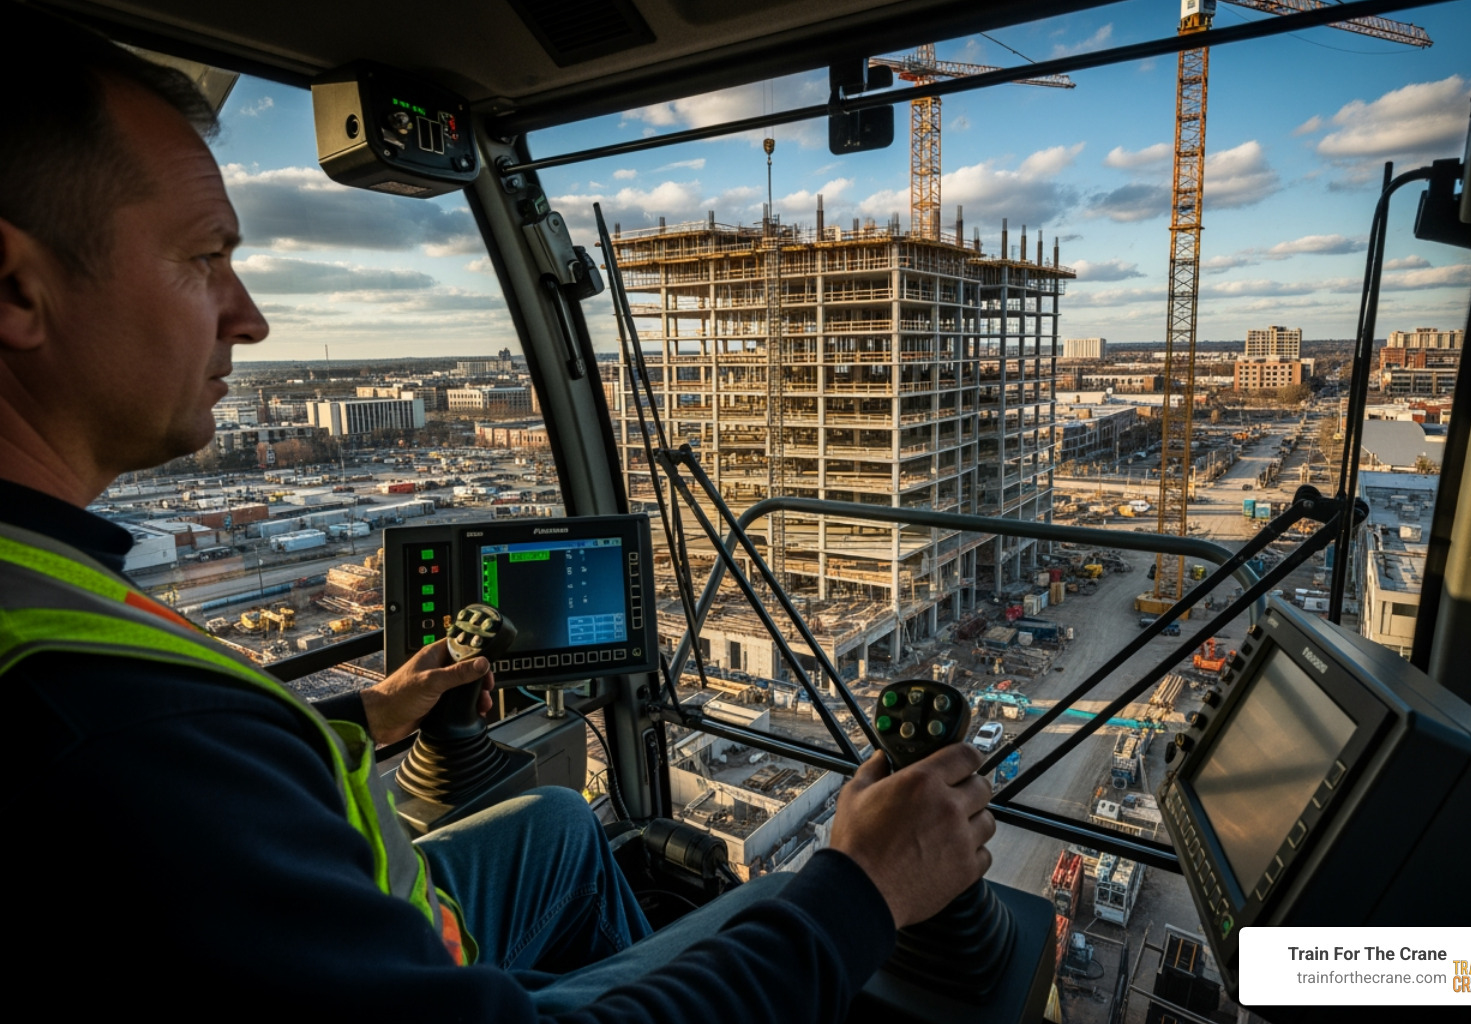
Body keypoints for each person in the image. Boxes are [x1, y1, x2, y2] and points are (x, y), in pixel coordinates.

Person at [1, 6, 996, 1018]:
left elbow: (211, 792)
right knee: (787, 898)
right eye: (204, 257)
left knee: (562, 821)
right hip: (403, 964)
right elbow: (175, 772)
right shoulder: (112, 728)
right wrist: (861, 888)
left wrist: (365, 714)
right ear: (15, 287)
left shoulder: (46, 591)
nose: (248, 315)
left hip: (379, 919)